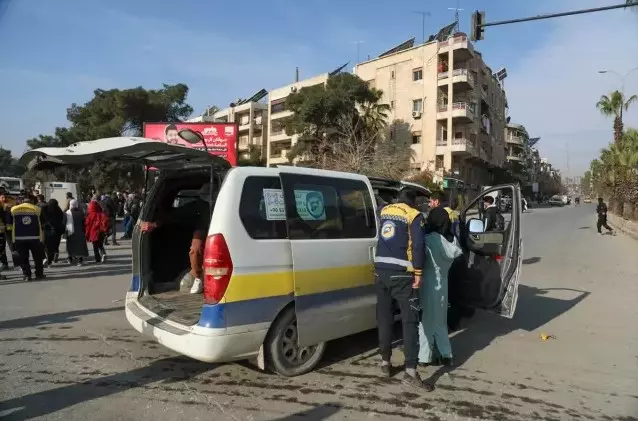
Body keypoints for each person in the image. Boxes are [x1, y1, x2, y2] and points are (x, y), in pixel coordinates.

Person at [373, 189, 431, 391]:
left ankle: (385, 363)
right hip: (402, 274)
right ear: (412, 202)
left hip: (380, 271)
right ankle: (410, 372)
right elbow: (418, 245)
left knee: (384, 318)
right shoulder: (413, 215)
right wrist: (418, 272)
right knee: (410, 320)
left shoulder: (385, 211)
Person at [141, 183, 215, 294]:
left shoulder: (225, 202)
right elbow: (175, 214)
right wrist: (154, 224)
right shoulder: (198, 205)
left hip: (222, 229)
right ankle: (198, 277)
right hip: (203, 229)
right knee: (195, 250)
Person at [418, 207, 463, 367]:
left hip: (427, 285)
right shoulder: (453, 241)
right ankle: (446, 354)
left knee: (425, 322)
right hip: (443, 285)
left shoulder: (428, 240)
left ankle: (424, 357)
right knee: (440, 322)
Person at [9, 195, 46, 281]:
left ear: (22, 201)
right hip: (35, 237)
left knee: (23, 258)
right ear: (31, 202)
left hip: (19, 237)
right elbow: (43, 222)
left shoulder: (13, 209)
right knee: (37, 258)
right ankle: (39, 274)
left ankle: (26, 275)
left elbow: (10, 223)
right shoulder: (37, 209)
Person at [65, 199, 89, 266]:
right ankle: (80, 261)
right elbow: (84, 222)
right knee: (80, 247)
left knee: (70, 246)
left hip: (70, 232)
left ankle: (70, 259)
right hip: (80, 231)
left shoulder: (67, 213)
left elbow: (64, 222)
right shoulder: (80, 212)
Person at [42, 198, 65, 266]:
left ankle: (49, 260)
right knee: (55, 244)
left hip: (47, 230)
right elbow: (62, 218)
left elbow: (41, 218)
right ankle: (56, 252)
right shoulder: (58, 209)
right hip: (57, 230)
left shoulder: (44, 208)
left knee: (47, 246)